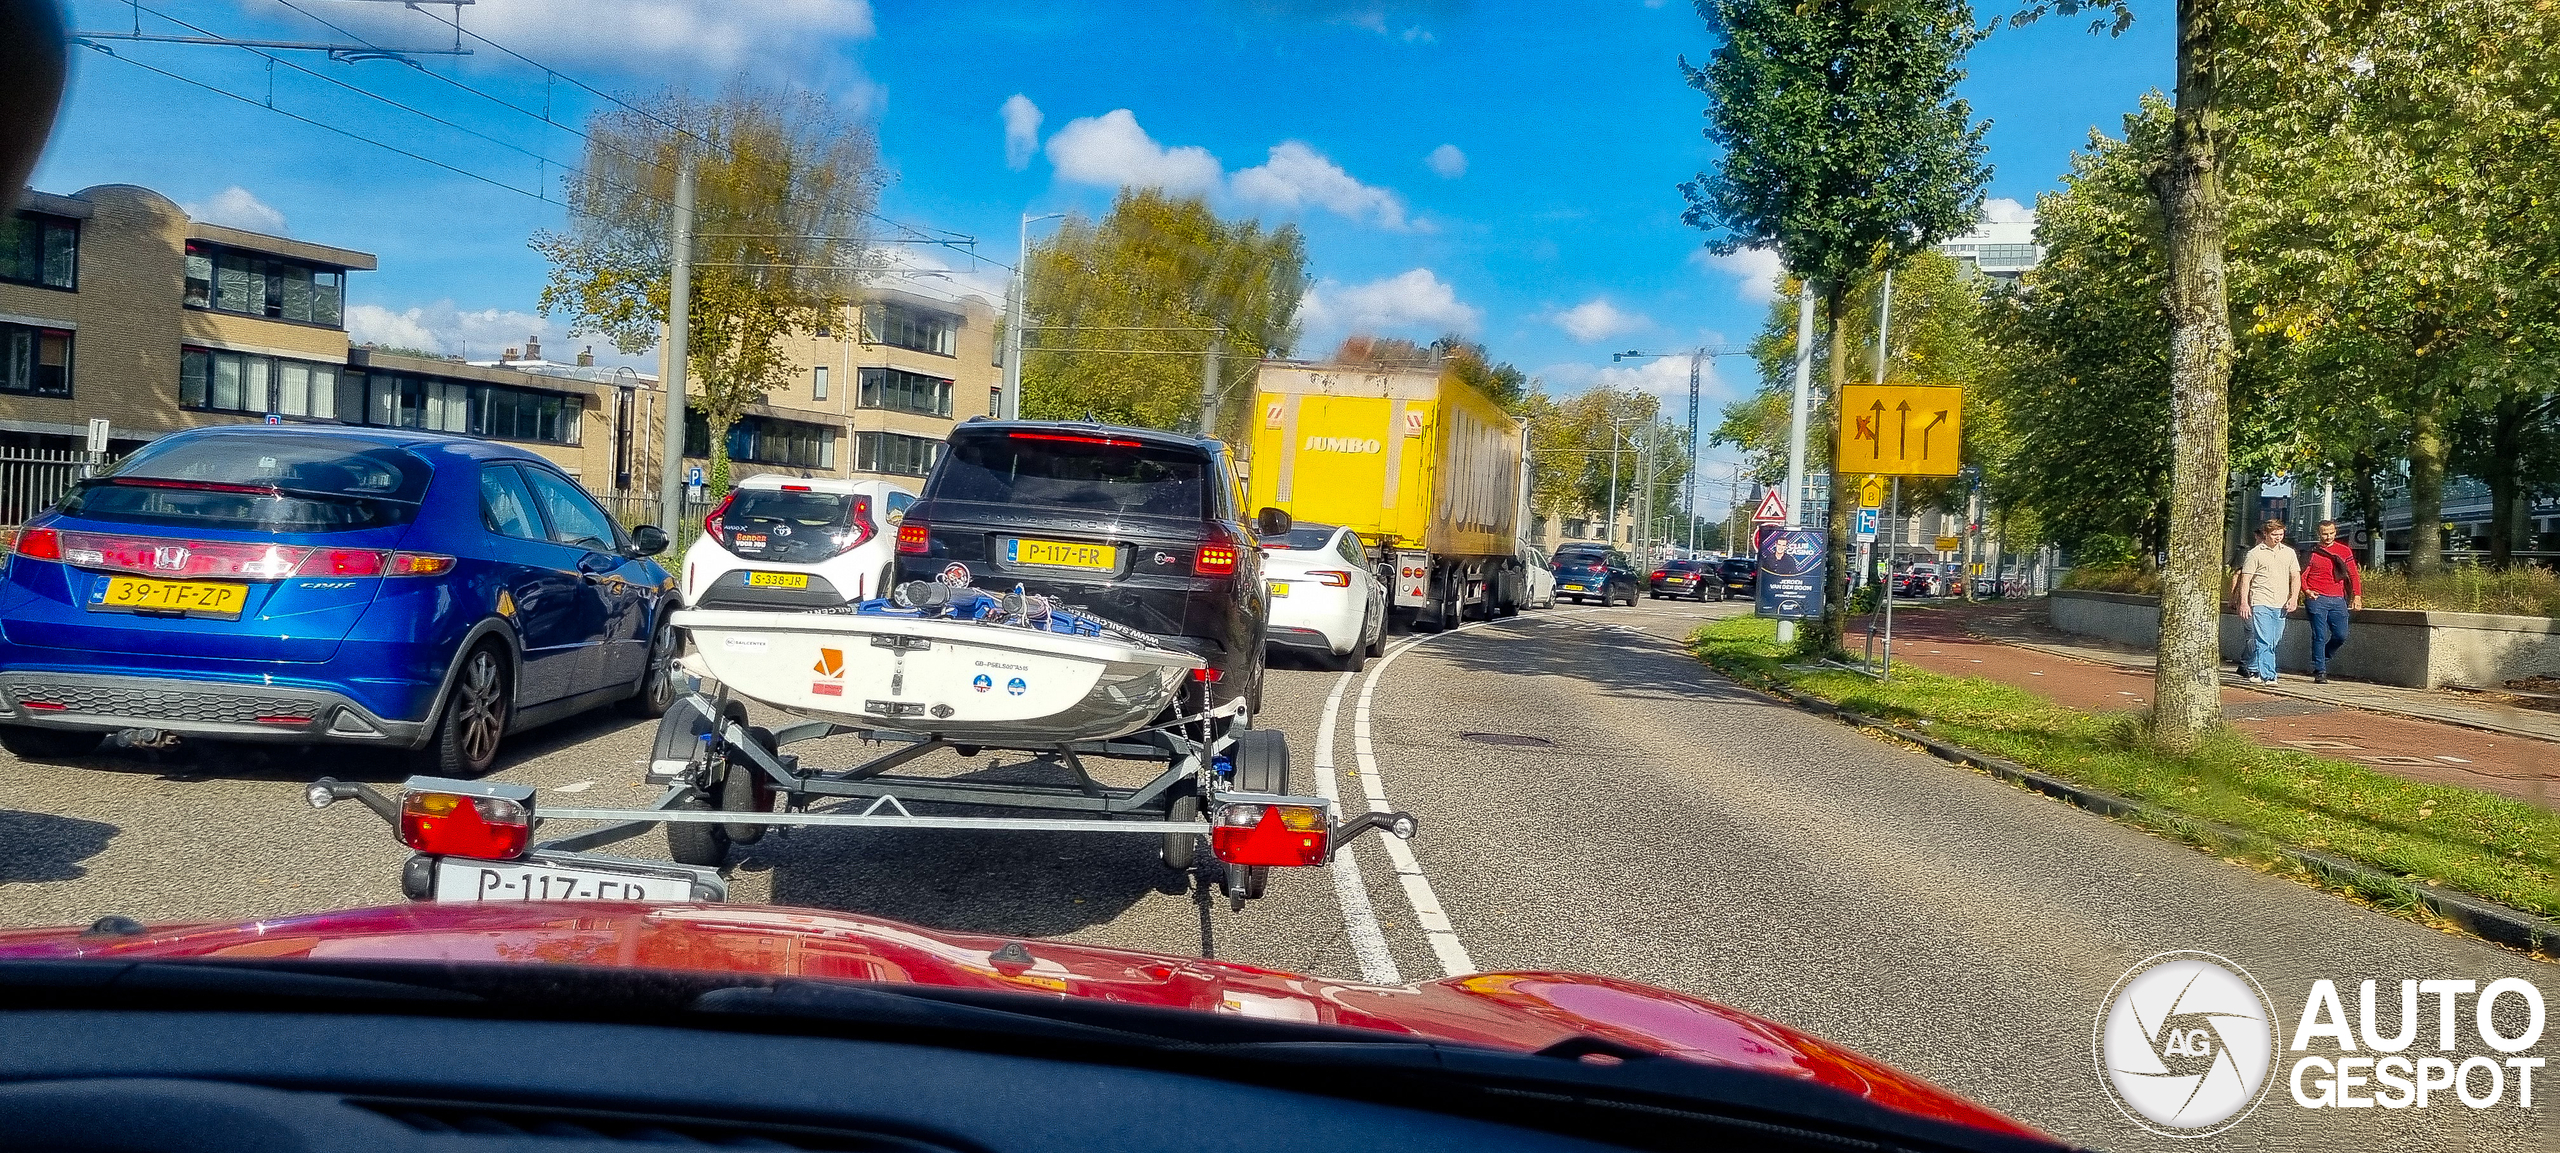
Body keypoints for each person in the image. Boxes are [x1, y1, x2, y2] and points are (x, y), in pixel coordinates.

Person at [2228, 519, 2301, 684]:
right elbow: (2245, 579)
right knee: (2264, 638)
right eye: (2274, 535)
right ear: (2266, 534)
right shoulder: (2255, 553)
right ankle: (2269, 675)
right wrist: (2244, 602)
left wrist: (2294, 597)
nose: (2278, 538)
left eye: (2281, 534)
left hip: (2281, 602)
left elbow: (2296, 576)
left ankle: (2253, 667)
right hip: (2260, 600)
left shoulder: (2289, 553)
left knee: (2275, 639)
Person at [2301, 519, 2363, 684]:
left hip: (2338, 599)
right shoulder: (2311, 552)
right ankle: (2320, 670)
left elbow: (2353, 574)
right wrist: (2306, 590)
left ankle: (2323, 656)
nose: (2328, 537)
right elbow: (2301, 575)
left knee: (2341, 635)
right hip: (2317, 598)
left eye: (2331, 533)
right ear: (2318, 534)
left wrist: (2357, 595)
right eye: (2324, 534)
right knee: (2319, 635)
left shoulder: (2344, 551)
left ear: (2335, 532)